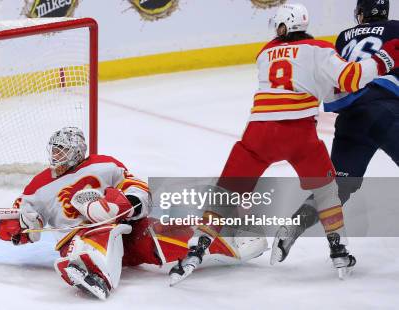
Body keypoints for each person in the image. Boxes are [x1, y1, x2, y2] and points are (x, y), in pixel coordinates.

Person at [169, 3, 398, 285]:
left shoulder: (265, 53)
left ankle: (200, 246)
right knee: (328, 190)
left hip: (266, 132)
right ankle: (338, 249)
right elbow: (347, 79)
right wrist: (383, 62)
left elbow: (326, 90)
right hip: (316, 129)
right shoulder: (322, 48)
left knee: (229, 189)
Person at [0, 127, 266, 299]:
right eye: (54, 150)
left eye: (62, 150)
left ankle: (232, 240)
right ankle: (90, 272)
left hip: (127, 227)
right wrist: (17, 228)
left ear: (77, 150)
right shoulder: (38, 184)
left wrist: (124, 205)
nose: (56, 155)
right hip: (79, 237)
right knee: (91, 241)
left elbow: (135, 186)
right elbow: (23, 217)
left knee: (166, 235)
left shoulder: (104, 164)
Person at [271, 0, 398, 265]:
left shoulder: (343, 37)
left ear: (362, 13)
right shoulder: (396, 29)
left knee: (337, 186)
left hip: (351, 117)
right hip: (385, 111)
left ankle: (293, 225)